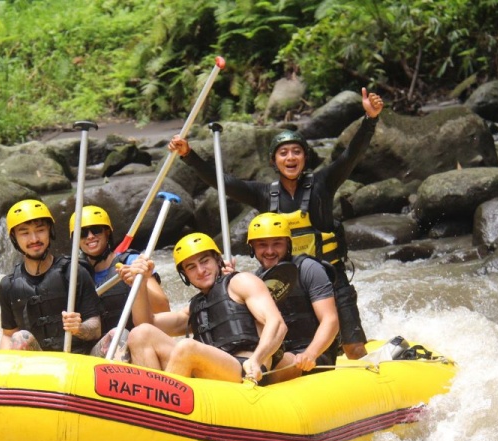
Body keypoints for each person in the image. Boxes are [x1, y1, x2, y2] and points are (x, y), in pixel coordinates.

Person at [168, 88, 385, 359]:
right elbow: (224, 183)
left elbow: (351, 155)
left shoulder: (322, 183)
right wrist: (189, 155)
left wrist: (370, 119)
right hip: (283, 281)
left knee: (352, 347)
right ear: (274, 161)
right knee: (288, 347)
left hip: (329, 277)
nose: (291, 158)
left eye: (296, 152)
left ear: (305, 157)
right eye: (283, 153)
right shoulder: (263, 194)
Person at [125, 233, 287, 383]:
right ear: (185, 275)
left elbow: (277, 324)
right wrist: (140, 285)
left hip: (244, 367)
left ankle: (162, 403)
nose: (201, 271)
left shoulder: (241, 281)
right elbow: (145, 323)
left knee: (187, 347)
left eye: (204, 261)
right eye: (191, 267)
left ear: (217, 260)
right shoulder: (195, 307)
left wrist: (257, 360)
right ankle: (150, 401)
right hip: (209, 370)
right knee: (140, 334)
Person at [0, 199, 103, 354]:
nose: (34, 239)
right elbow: (8, 335)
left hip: (80, 360)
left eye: (40, 230)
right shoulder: (8, 285)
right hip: (42, 364)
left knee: (118, 336)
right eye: (25, 233)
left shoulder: (74, 272)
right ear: (14, 238)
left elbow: (96, 328)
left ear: (50, 231)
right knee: (20, 337)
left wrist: (79, 328)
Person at [247, 212, 339, 377]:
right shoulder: (254, 281)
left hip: (315, 356)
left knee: (273, 361)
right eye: (262, 245)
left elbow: (330, 320)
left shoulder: (308, 269)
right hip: (280, 355)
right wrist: (228, 281)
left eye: (277, 244)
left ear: (288, 244)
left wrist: (311, 353)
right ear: (252, 247)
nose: (270, 251)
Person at [69, 205, 169, 335]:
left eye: (96, 230)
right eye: (82, 233)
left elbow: (163, 309)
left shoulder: (132, 261)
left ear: (107, 232)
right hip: (97, 347)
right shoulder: (73, 274)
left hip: (134, 339)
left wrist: (140, 282)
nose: (90, 236)